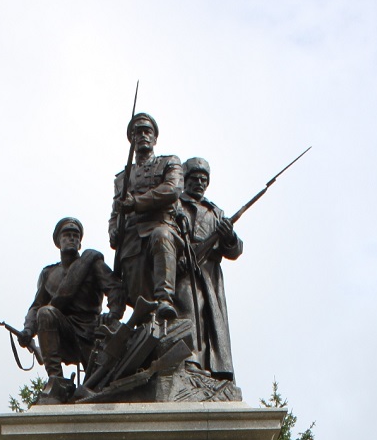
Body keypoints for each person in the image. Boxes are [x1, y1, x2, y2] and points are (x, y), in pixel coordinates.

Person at [20, 218, 125, 401]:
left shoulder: (91, 263)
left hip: (91, 331)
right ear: (58, 241)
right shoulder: (48, 274)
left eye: (76, 236)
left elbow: (115, 287)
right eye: (67, 235)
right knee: (46, 312)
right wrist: (28, 330)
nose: (72, 238)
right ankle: (57, 383)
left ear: (80, 243)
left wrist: (113, 314)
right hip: (63, 333)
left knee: (102, 387)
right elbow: (36, 306)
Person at [108, 112, 183, 320]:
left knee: (161, 235)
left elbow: (172, 189)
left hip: (160, 225)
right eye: (137, 132)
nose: (142, 136)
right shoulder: (122, 178)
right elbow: (115, 212)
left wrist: (137, 202)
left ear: (155, 138)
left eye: (147, 131)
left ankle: (165, 300)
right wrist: (113, 231)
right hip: (131, 239)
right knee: (140, 300)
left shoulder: (169, 162)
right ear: (131, 140)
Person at [175, 157, 242, 380]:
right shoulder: (176, 205)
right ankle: (187, 359)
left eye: (204, 180)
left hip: (209, 273)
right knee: (187, 308)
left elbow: (234, 251)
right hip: (184, 266)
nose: (199, 183)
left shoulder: (216, 213)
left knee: (207, 320)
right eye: (195, 178)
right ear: (185, 180)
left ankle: (209, 369)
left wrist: (229, 235)